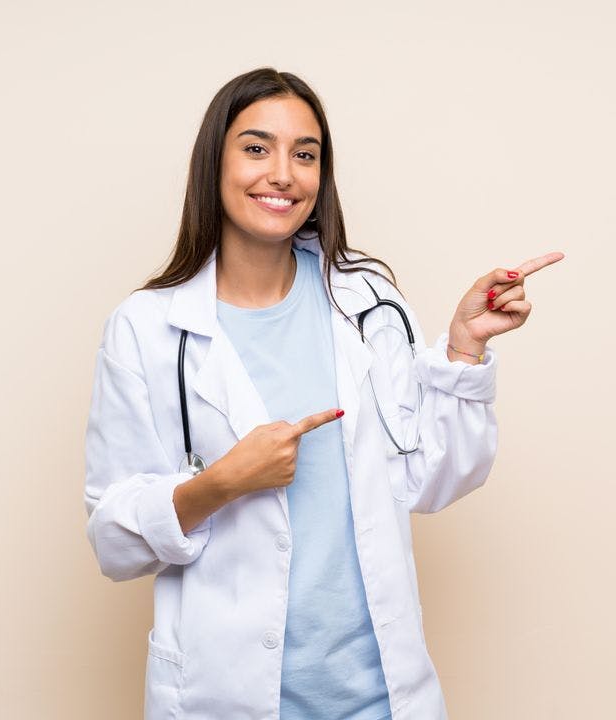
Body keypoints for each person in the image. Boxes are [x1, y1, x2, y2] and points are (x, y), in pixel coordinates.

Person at [83, 67, 563, 720]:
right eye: (257, 148)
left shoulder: (366, 300)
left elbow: (434, 478)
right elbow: (113, 540)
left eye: (304, 154)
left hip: (377, 698)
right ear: (213, 164)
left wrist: (463, 349)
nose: (283, 173)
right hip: (228, 698)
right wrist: (221, 483)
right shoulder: (146, 329)